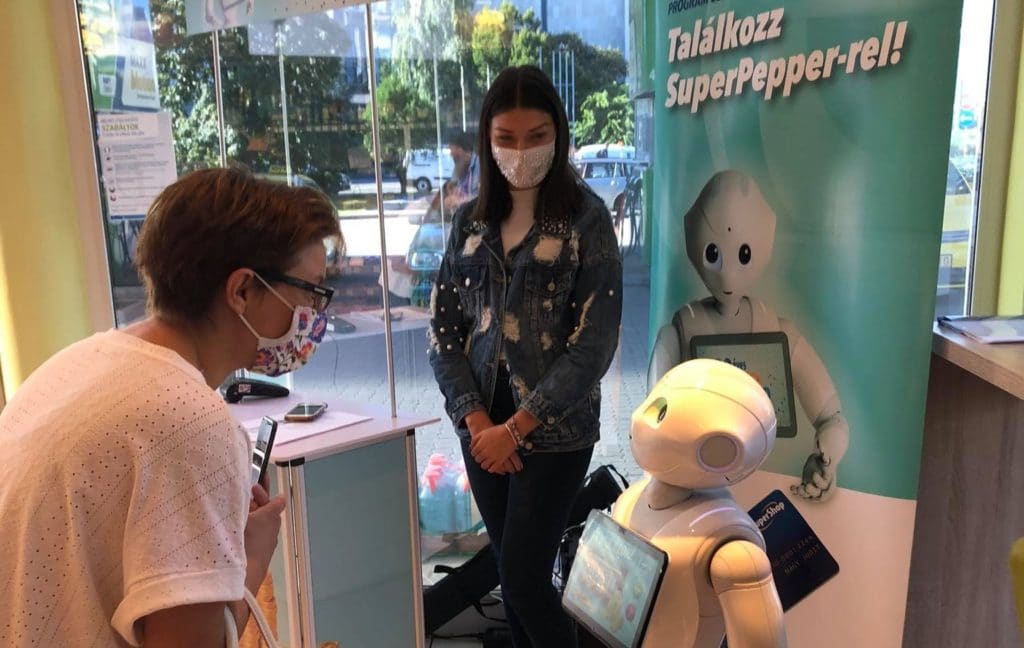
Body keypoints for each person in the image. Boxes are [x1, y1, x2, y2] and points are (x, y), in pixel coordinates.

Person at [0, 168, 342, 647]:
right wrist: (254, 557)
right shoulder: (190, 423)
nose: (315, 313)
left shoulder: (82, 361)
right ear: (242, 290)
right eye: (311, 291)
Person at [428, 66, 623, 647]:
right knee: (514, 583)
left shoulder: (586, 220)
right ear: (488, 141)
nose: (521, 151)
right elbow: (444, 332)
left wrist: (516, 428)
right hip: (482, 432)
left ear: (558, 135)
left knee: (523, 578)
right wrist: (478, 421)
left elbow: (594, 344)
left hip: (553, 432)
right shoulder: (470, 222)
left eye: (536, 136)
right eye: (507, 138)